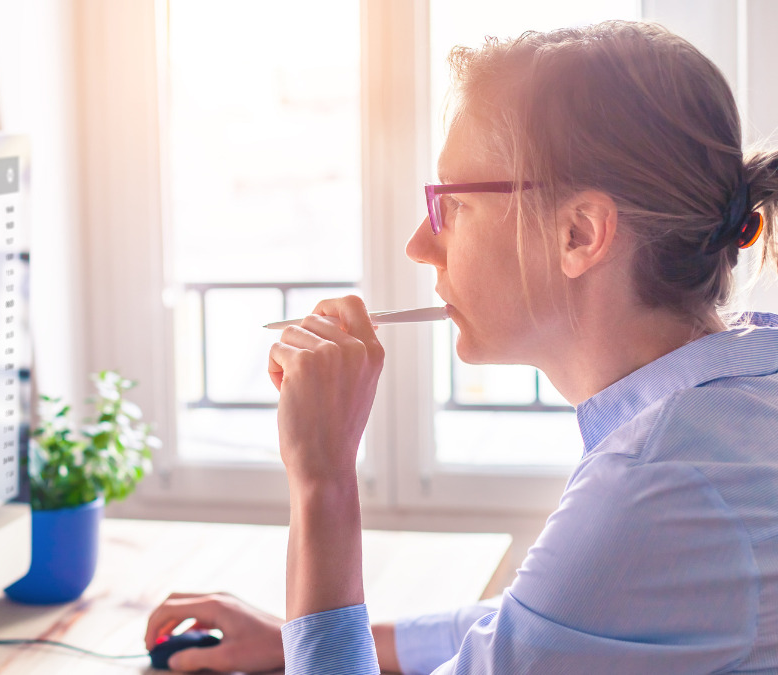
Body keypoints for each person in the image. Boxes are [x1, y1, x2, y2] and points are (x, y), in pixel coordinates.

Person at [144, 20, 778, 674]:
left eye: (451, 204)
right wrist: (294, 638)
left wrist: (322, 478)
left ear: (580, 233)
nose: (420, 244)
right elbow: (536, 623)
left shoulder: (653, 484)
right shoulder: (736, 404)